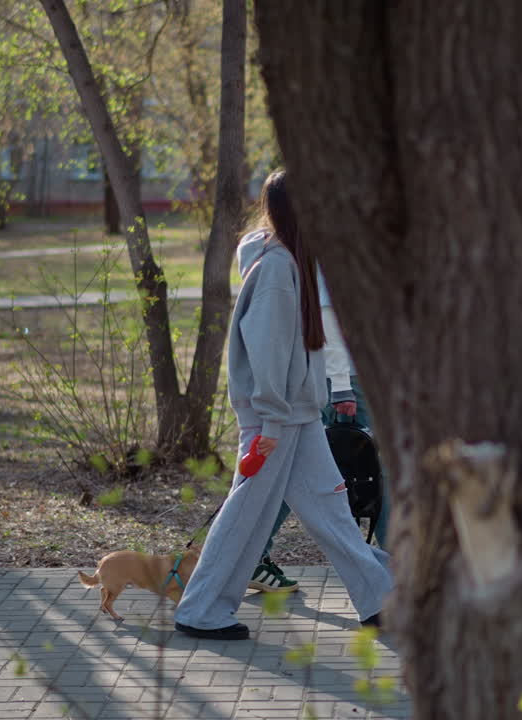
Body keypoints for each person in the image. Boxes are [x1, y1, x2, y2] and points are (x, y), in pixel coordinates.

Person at [173, 170, 391, 641]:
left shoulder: (294, 263)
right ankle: (201, 610)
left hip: (299, 417)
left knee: (334, 515)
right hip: (275, 419)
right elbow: (268, 352)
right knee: (244, 513)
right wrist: (269, 421)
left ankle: (383, 600)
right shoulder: (275, 270)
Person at [248, 275, 390, 594]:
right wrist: (341, 387)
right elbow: (328, 316)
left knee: (295, 470)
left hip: (344, 378)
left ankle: (253, 555)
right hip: (344, 382)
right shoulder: (332, 242)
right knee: (376, 471)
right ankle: (400, 565)